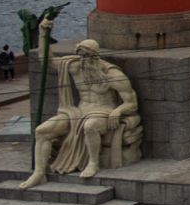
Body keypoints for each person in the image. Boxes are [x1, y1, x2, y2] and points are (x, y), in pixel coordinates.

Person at [18, 20, 143, 190]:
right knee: (42, 131)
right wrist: (42, 35)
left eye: (86, 56)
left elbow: (131, 103)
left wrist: (118, 111)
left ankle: (93, 163)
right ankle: (39, 173)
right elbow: (47, 63)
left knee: (90, 126)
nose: (83, 59)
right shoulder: (75, 67)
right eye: (81, 55)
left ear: (95, 56)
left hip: (103, 110)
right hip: (77, 111)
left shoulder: (112, 74)